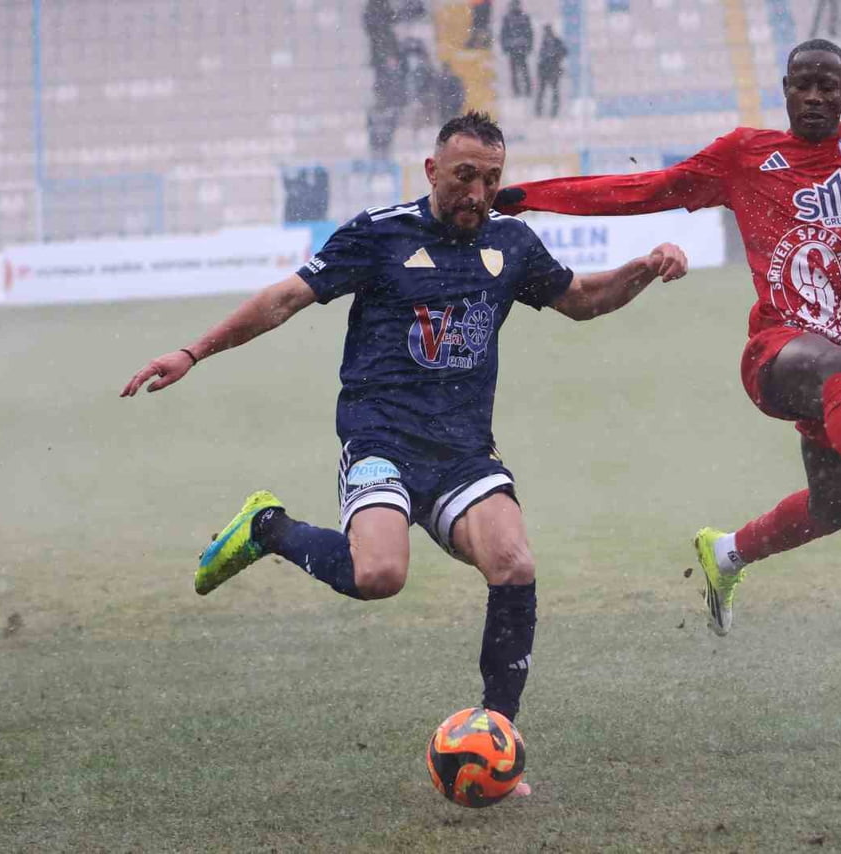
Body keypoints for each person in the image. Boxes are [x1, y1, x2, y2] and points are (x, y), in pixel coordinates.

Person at [120, 113, 688, 787]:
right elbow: (283, 301)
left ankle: (497, 732)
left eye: (491, 179)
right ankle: (268, 527)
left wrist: (646, 267)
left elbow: (585, 300)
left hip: (463, 450)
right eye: (464, 176)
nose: (478, 192)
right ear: (432, 171)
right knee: (379, 576)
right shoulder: (381, 233)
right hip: (380, 434)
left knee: (514, 562)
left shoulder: (511, 243)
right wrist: (193, 351)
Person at [493, 30, 841, 636]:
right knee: (832, 367)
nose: (816, 97)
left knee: (830, 511)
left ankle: (726, 556)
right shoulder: (745, 155)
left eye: (829, 86)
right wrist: (534, 197)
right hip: (777, 355)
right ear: (785, 91)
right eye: (804, 85)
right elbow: (646, 190)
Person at [499, 0, 534, 97]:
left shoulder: (523, 17)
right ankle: (518, 91)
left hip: (519, 48)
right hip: (514, 48)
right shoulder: (508, 18)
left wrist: (529, 46)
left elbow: (529, 33)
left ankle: (525, 90)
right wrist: (505, 46)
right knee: (516, 71)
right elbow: (503, 34)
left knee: (522, 70)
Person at [534, 25, 567, 118]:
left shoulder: (553, 42)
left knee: (550, 92)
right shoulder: (545, 43)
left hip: (551, 70)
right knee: (548, 92)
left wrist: (556, 56)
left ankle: (550, 111)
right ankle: (542, 111)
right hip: (548, 70)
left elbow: (564, 51)